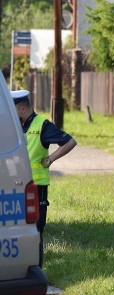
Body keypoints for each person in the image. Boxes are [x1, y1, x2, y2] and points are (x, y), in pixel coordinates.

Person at [11, 90, 77, 267]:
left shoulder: (42, 125)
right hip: (16, 186)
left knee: (36, 230)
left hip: (36, 188)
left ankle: (37, 268)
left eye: (13, 109)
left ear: (22, 108)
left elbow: (70, 142)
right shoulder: (16, 126)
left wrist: (50, 159)